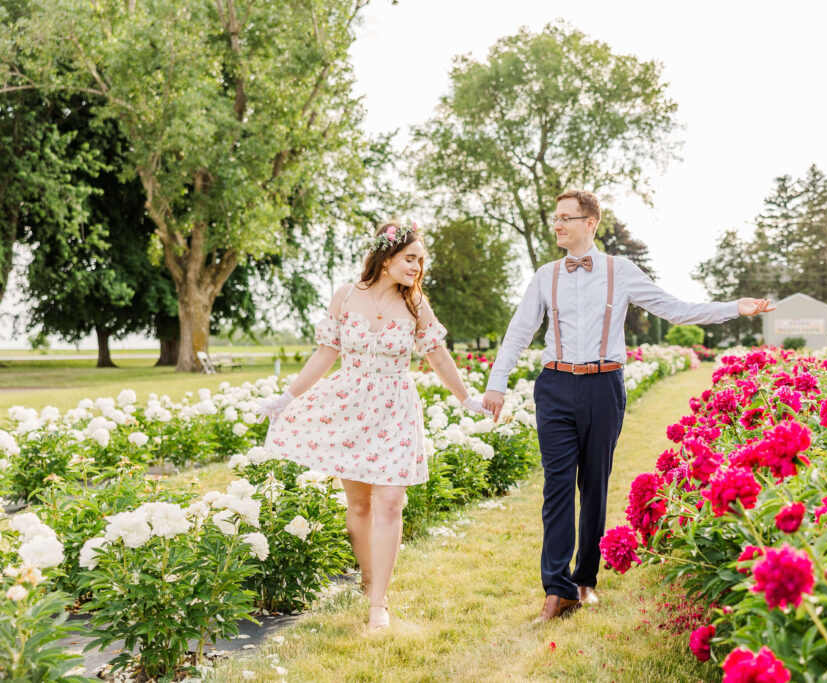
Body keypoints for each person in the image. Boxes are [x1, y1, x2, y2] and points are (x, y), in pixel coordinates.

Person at [481, 190, 774, 623]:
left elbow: (674, 309)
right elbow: (519, 331)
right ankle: (555, 590)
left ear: (590, 222)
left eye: (566, 218)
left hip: (604, 387)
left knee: (594, 485)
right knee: (556, 487)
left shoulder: (622, 271)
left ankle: (584, 581)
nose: (557, 225)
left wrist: (734, 308)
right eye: (555, 218)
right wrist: (497, 384)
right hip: (556, 386)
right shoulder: (545, 275)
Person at [257, 220, 490, 630]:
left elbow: (438, 357)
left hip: (396, 407)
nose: (417, 267)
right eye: (410, 258)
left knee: (390, 501)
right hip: (350, 406)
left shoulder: (417, 305)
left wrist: (466, 398)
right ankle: (367, 578)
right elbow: (325, 355)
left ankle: (378, 603)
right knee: (360, 505)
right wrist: (285, 399)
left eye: (421, 261)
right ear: (385, 259)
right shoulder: (346, 296)